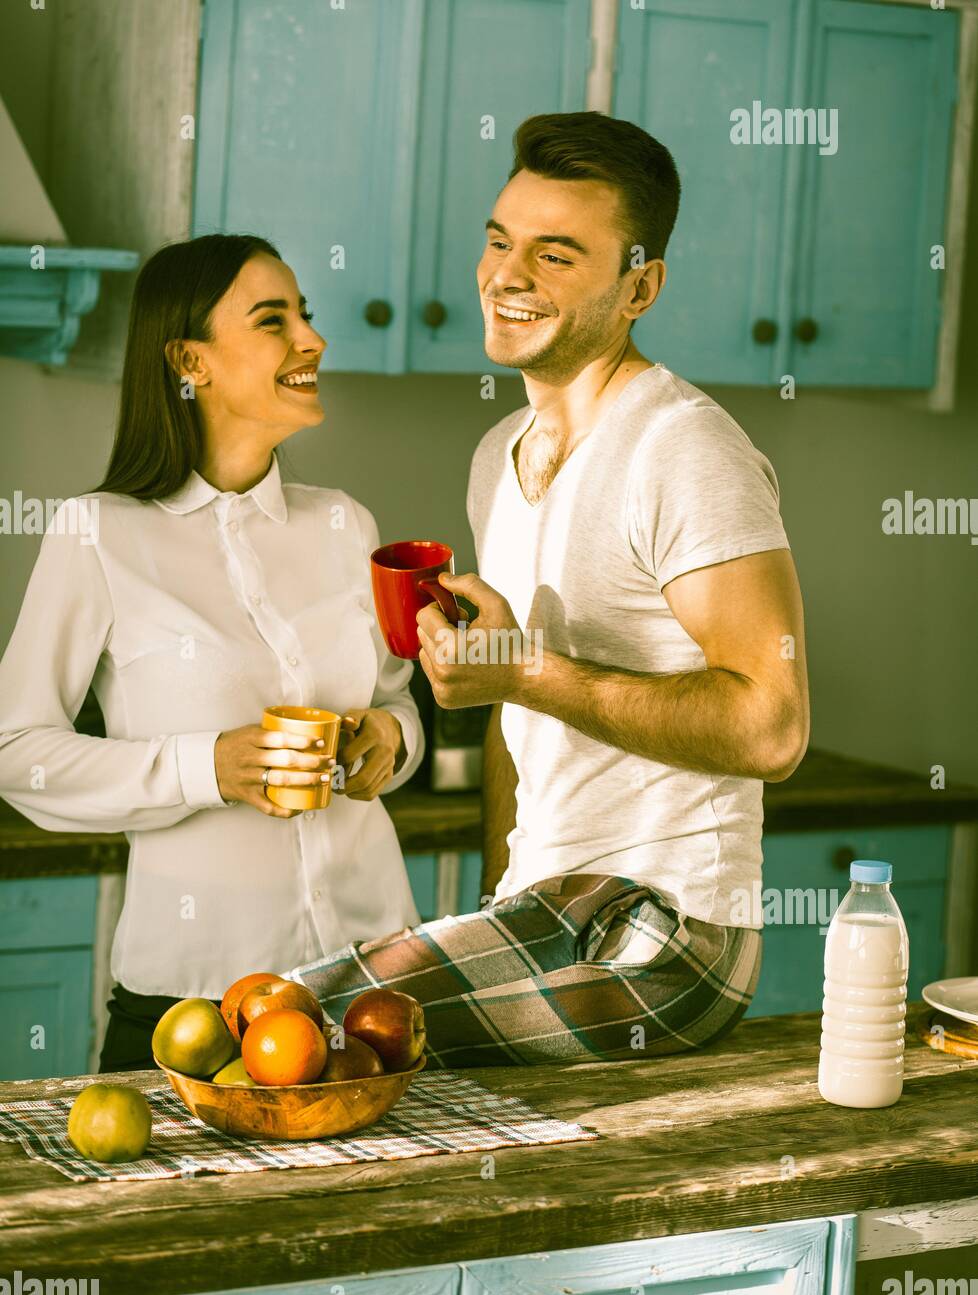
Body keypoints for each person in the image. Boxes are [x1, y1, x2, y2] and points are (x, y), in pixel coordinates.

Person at [282, 112, 810, 1067]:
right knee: (284, 1018)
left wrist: (528, 670)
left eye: (556, 255)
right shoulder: (500, 458)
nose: (507, 275)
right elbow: (514, 721)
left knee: (306, 1026)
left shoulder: (683, 448)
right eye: (499, 240)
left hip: (675, 928)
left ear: (639, 285)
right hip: (548, 904)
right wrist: (496, 901)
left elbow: (772, 726)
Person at [0, 234, 425, 1073]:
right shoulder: (100, 534)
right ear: (189, 359)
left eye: (306, 314)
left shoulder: (347, 524)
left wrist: (392, 740)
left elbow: (398, 703)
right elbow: (18, 754)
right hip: (195, 1013)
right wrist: (209, 770)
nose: (312, 340)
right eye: (275, 320)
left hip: (372, 995)